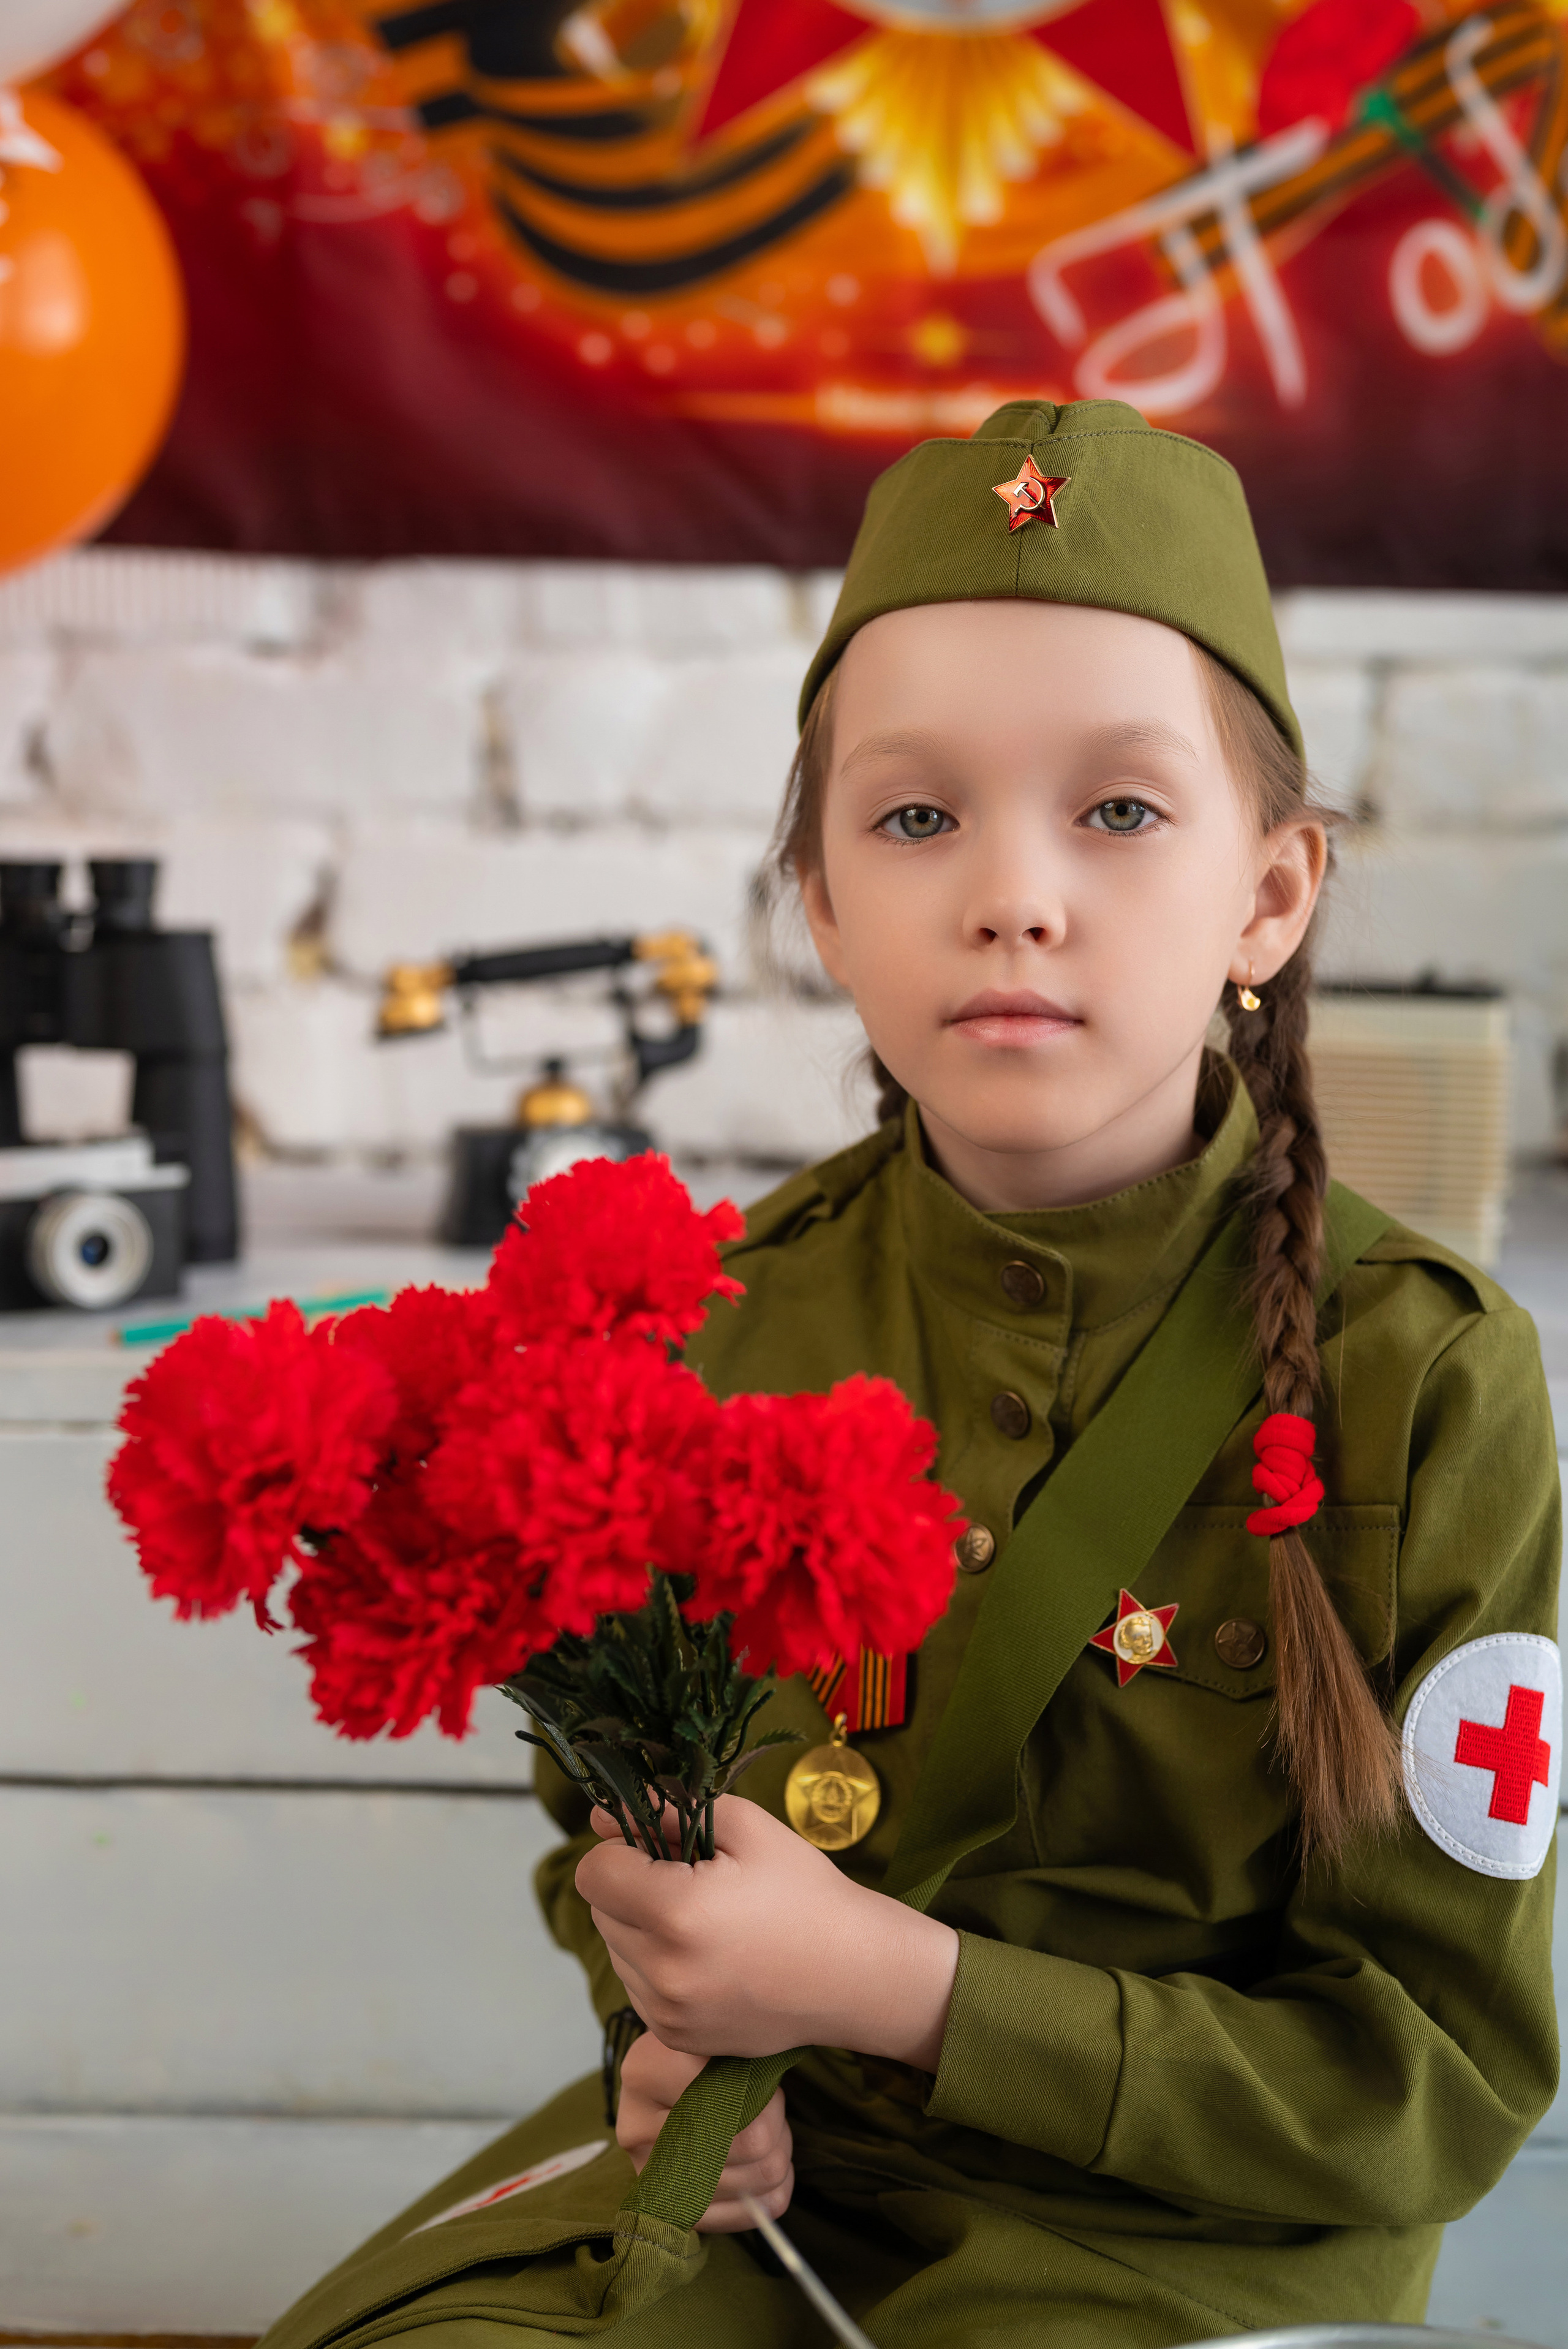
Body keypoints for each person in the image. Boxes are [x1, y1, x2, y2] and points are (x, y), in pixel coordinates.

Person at [258, 400, 1559, 2349]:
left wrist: (903, 1985)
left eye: (1119, 810)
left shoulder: (1430, 1382)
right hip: (765, 2166)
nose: (1010, 891)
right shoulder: (712, 1322)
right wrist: (667, 2003)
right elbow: (609, 1798)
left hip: (1176, 2240)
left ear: (1271, 900)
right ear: (822, 909)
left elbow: (1428, 2082)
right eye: (915, 814)